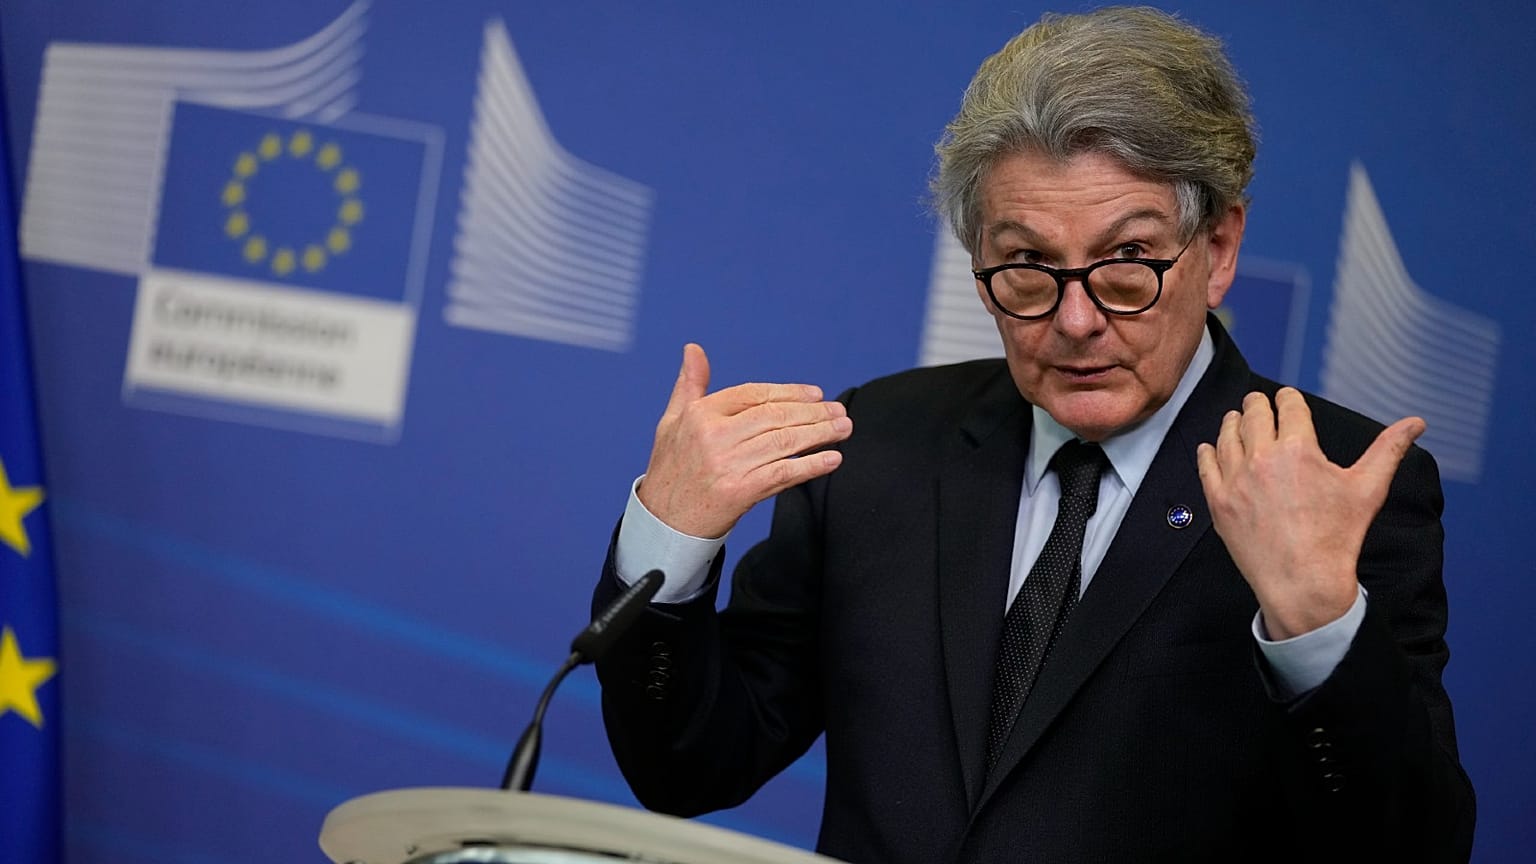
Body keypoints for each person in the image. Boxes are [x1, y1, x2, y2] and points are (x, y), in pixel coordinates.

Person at [592, 7, 1475, 862]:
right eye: (1026, 267)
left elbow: (1410, 849)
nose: (1078, 321)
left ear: (1220, 247)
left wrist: (1315, 623)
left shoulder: (1339, 481)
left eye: (1128, 263)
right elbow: (691, 768)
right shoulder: (881, 445)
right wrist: (666, 539)